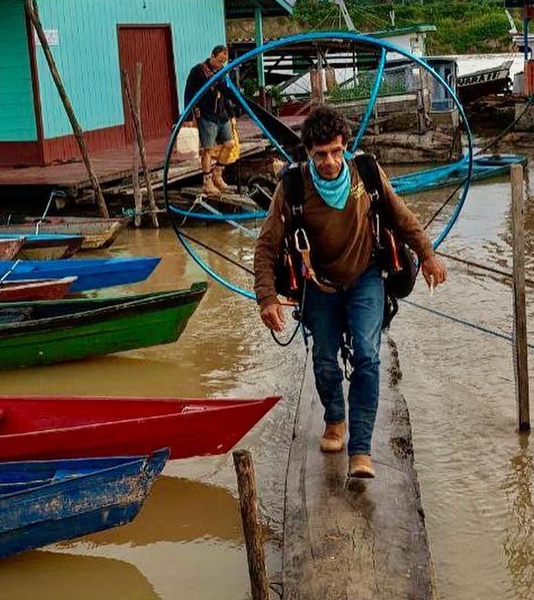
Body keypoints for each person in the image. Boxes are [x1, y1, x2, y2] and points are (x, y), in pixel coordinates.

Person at [254, 104, 447, 482]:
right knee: (324, 360)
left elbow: (401, 216)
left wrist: (427, 255)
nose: (329, 161)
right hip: (318, 284)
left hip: (365, 277)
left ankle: (360, 449)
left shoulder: (367, 173)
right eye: (320, 154)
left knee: (368, 357)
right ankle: (334, 418)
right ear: (308, 153)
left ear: (345, 147)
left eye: (336, 152)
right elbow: (266, 247)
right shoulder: (292, 187)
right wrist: (266, 298)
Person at [184, 45, 240, 196]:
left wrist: (231, 113)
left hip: (222, 114)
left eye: (224, 62)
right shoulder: (199, 71)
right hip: (207, 115)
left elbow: (226, 93)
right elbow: (189, 93)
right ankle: (207, 182)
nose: (221, 64)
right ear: (212, 56)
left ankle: (217, 174)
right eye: (220, 60)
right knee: (207, 149)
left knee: (229, 144)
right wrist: (188, 116)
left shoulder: (222, 73)